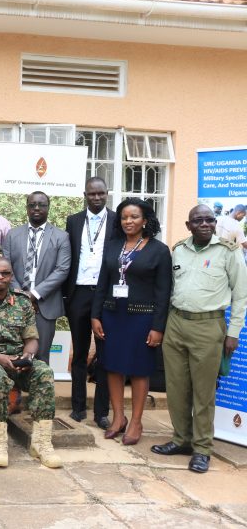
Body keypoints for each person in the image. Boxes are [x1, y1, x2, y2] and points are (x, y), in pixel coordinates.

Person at [151, 205, 247, 473]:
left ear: (215, 223)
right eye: (198, 220)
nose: (205, 224)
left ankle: (202, 448)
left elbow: (241, 295)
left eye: (209, 220)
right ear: (188, 225)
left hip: (209, 326)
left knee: (203, 393)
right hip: (177, 324)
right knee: (177, 388)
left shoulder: (228, 252)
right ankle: (181, 439)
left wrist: (233, 333)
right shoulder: (179, 250)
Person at [0, 257, 61, 468]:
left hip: (17, 359)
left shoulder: (22, 301)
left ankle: (42, 443)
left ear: (11, 276)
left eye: (5, 273)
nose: (0, 277)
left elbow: (31, 339)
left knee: (44, 372)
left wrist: (27, 356)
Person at [91, 198, 171, 446]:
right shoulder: (113, 246)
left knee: (138, 369)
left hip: (142, 318)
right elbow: (103, 282)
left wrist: (158, 327)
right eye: (124, 217)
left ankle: (136, 421)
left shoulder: (159, 250)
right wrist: (95, 315)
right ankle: (118, 418)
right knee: (113, 366)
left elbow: (163, 292)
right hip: (112, 314)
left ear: (145, 220)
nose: (128, 221)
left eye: (134, 217)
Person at [63, 177, 115, 429]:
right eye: (92, 194)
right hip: (79, 293)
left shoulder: (117, 220)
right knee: (80, 353)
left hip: (107, 295)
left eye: (101, 193)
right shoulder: (73, 221)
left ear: (107, 194)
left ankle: (102, 412)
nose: (96, 198)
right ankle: (78, 407)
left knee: (105, 355)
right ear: (85, 194)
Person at [2, 191, 70, 363]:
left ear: (49, 208)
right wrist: (21, 294)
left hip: (44, 304)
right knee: (13, 351)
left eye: (42, 205)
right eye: (32, 205)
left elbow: (62, 270)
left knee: (41, 355)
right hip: (15, 301)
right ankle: (15, 390)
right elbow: (6, 267)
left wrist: (34, 294)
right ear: (26, 208)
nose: (37, 208)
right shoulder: (12, 235)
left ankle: (39, 391)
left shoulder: (61, 236)